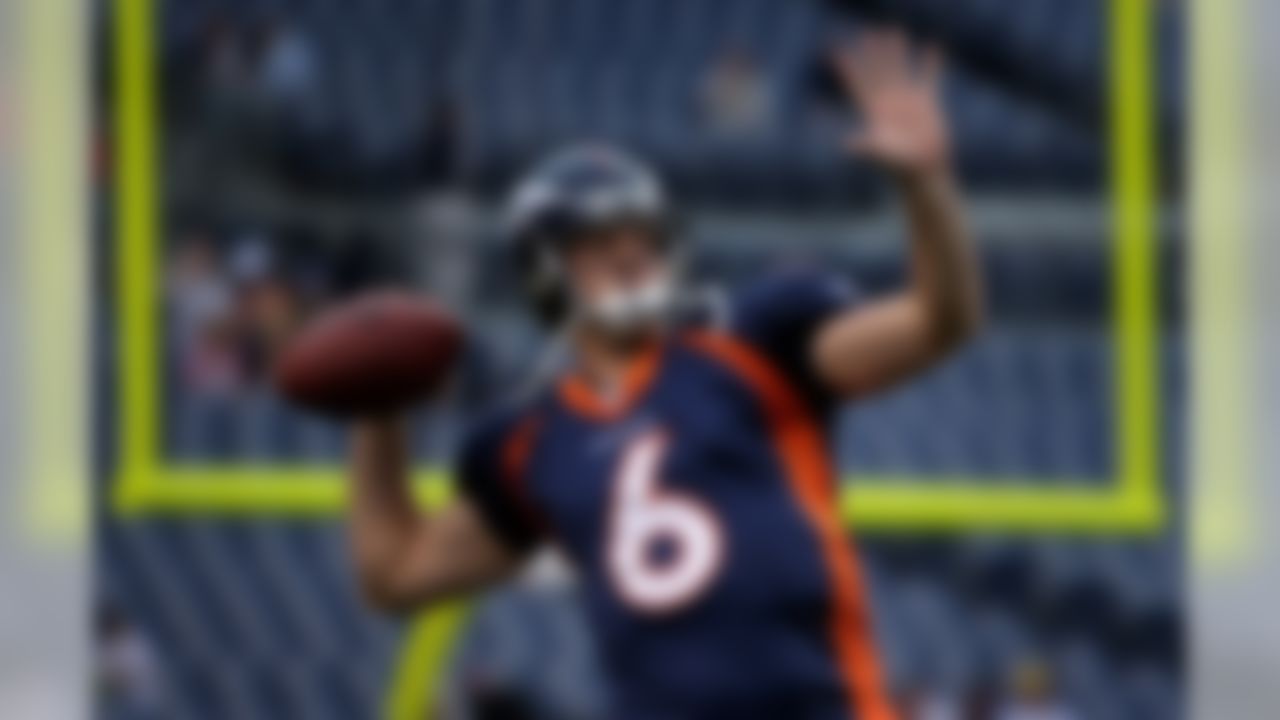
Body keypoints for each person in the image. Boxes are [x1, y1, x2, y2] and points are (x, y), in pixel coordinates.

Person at [349, 30, 982, 719]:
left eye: (644, 239)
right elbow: (396, 574)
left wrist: (928, 190)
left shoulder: (752, 342)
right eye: (596, 242)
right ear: (544, 272)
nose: (629, 256)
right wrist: (377, 411)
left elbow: (939, 323)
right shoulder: (531, 440)